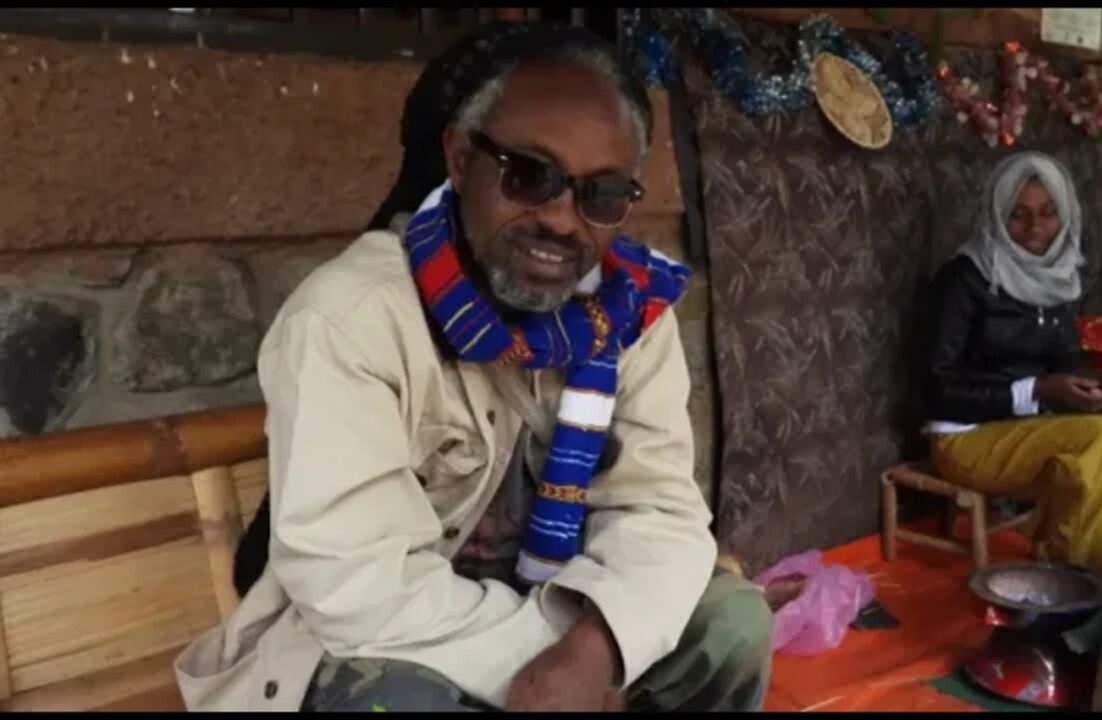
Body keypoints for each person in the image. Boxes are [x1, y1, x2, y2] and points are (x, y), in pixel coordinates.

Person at [174, 22, 772, 713]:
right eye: (529, 176)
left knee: (732, 624)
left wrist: (599, 648)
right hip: (386, 644)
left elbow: (660, 511)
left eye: (601, 194)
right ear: (460, 160)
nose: (561, 219)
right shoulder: (351, 319)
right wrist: (553, 668)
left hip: (564, 624)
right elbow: (360, 590)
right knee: (400, 702)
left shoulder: (631, 313)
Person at [923, 151, 1102, 581]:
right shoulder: (963, 279)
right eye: (1018, 215)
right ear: (995, 215)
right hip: (966, 439)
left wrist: (1101, 396)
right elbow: (937, 387)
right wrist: (1039, 391)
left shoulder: (1059, 277)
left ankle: (1063, 558)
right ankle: (1098, 572)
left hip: (1031, 430)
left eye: (1049, 214)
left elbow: (1065, 362)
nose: (1035, 230)